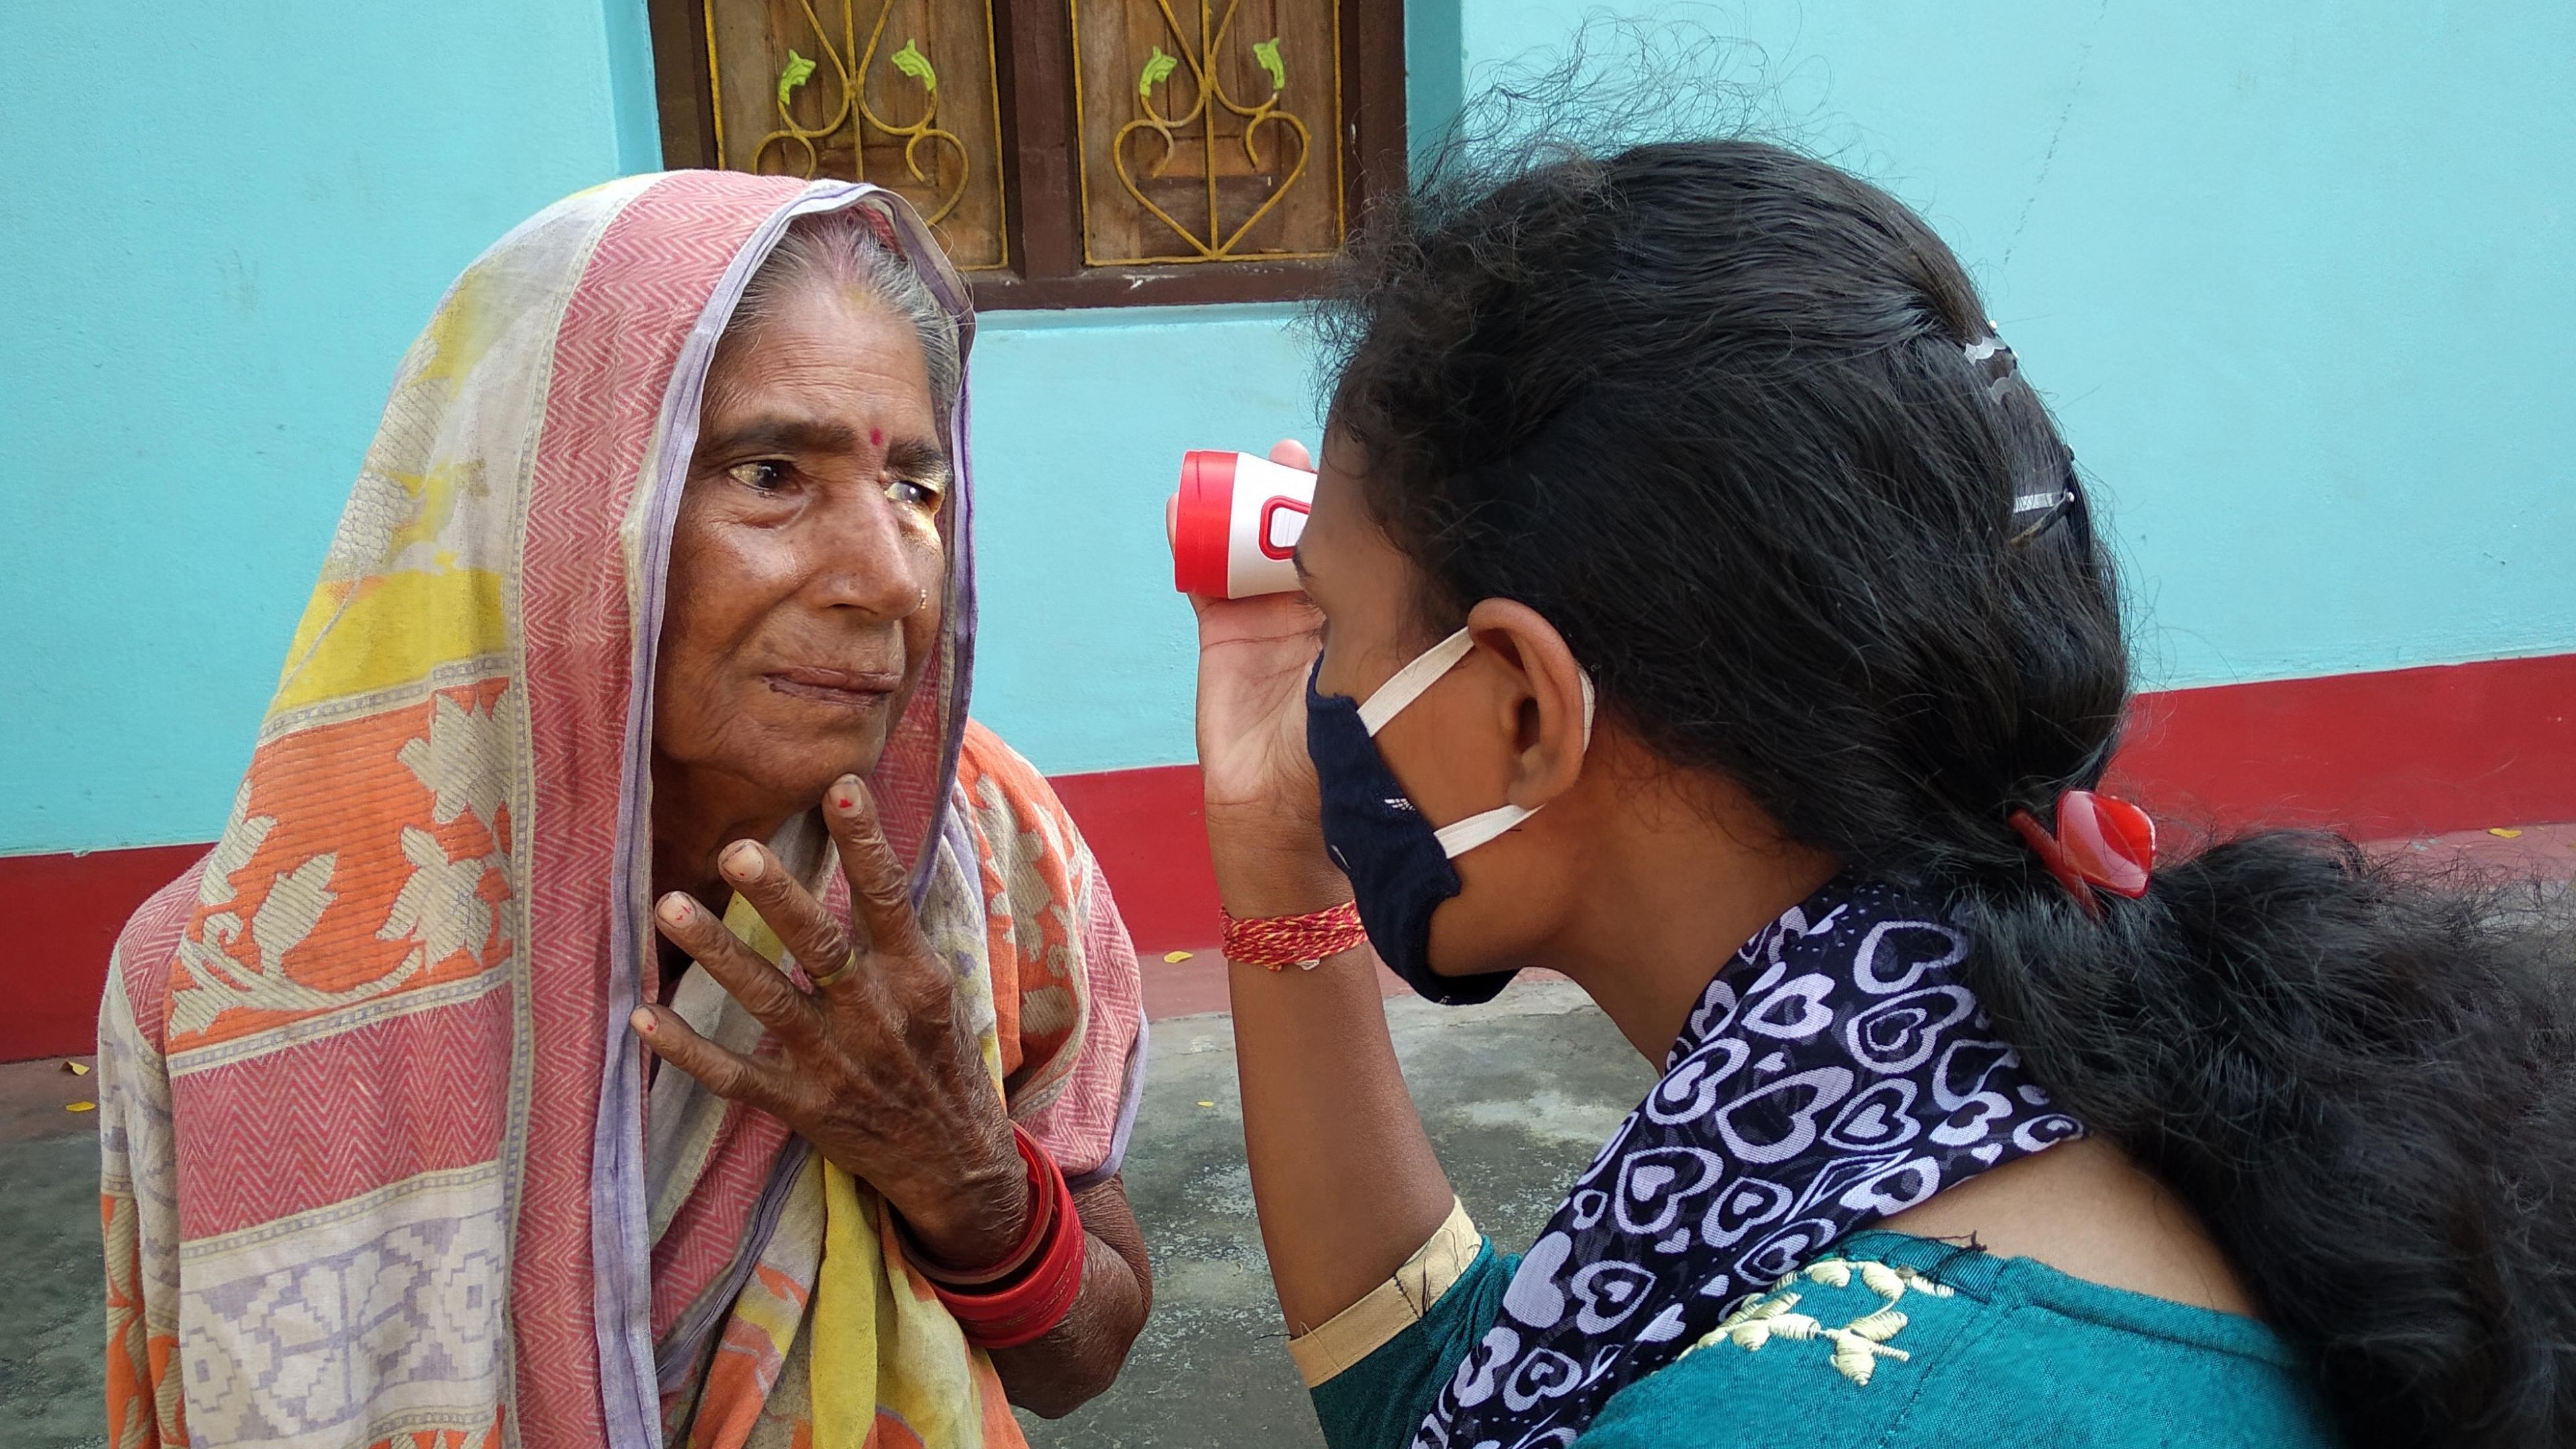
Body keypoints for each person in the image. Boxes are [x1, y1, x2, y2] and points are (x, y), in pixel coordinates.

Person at [1190, 138, 2576, 1448]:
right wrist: (1272, 855)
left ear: (1523, 711)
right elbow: (1474, 1396)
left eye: (1334, 625)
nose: (1329, 695)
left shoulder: (1822, 1405)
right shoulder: (2012, 1082)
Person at [97, 174, 1150, 1449]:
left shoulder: (983, 858)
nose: (887, 577)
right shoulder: (232, 985)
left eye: (917, 491)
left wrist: (968, 1180)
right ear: (552, 507)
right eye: (770, 474)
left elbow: (1083, 1355)